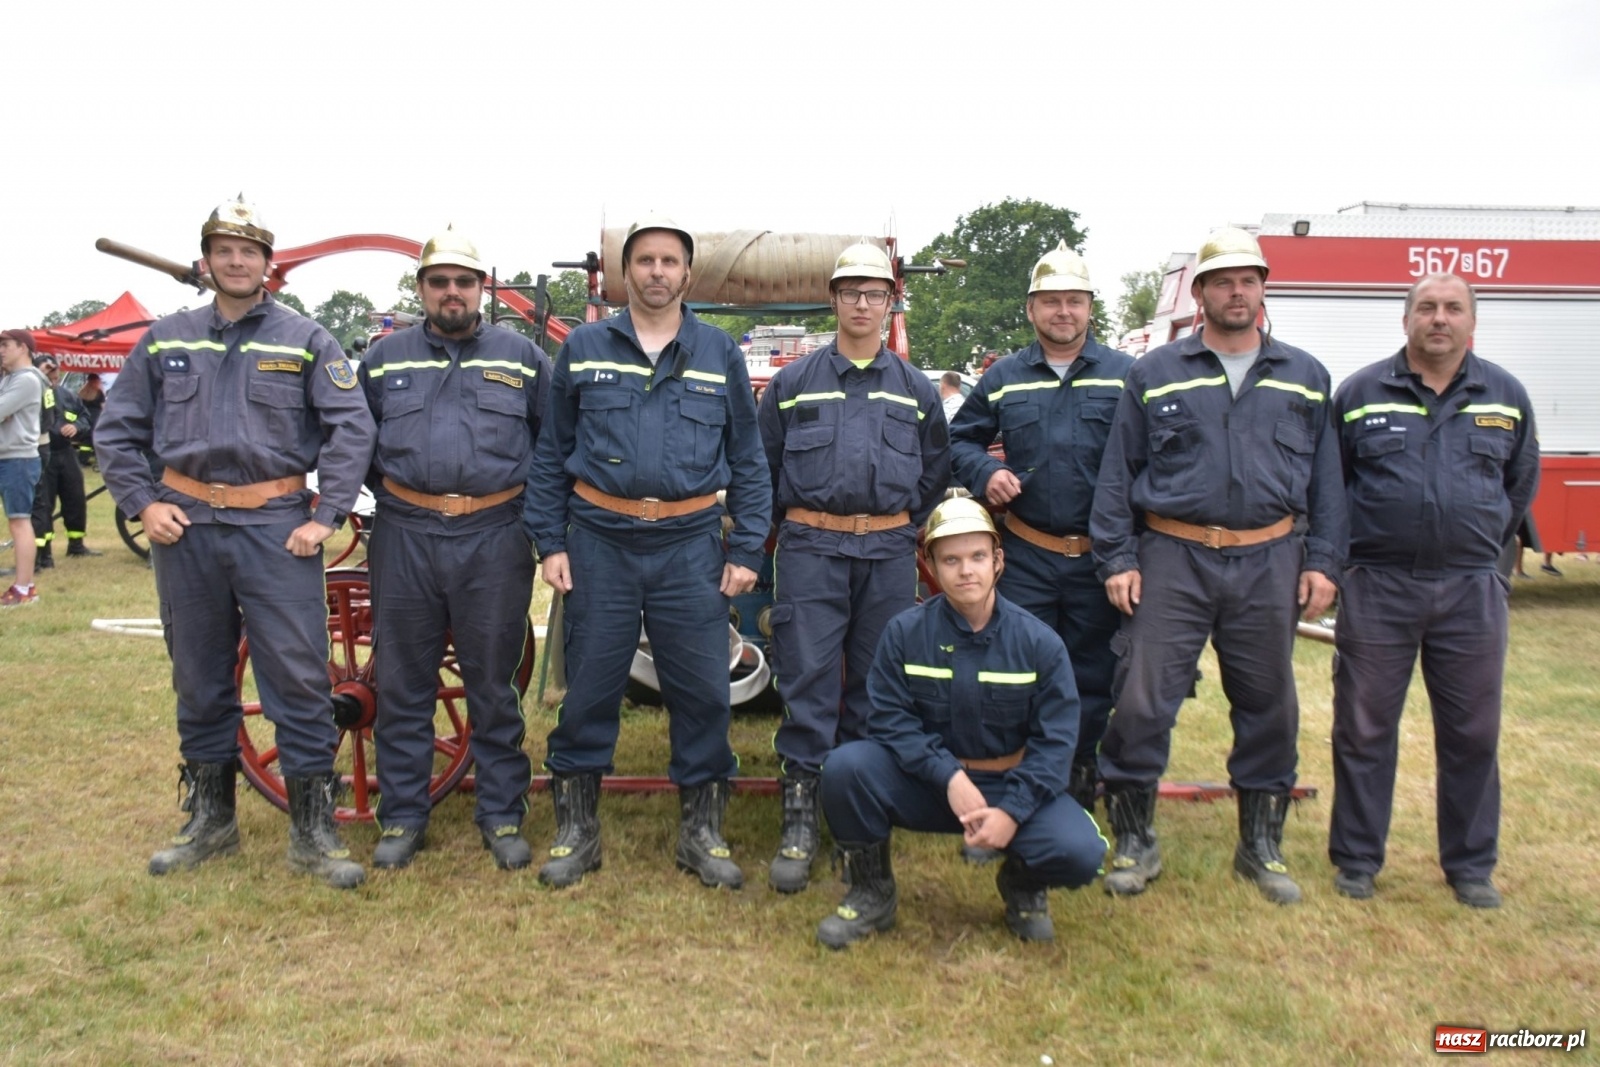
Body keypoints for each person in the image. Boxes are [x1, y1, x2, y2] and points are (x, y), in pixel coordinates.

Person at [95, 196, 377, 889]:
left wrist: (327, 512)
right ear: (206, 261)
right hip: (186, 526)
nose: (237, 261)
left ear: (267, 265)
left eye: (249, 252)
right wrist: (143, 503)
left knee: (299, 676)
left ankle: (313, 831)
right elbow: (116, 430)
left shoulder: (306, 339)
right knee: (197, 673)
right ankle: (210, 822)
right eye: (224, 250)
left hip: (274, 528)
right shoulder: (165, 339)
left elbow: (352, 427)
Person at [1090, 227, 1346, 904]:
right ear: (1199, 294)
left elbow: (1329, 482)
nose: (1238, 292)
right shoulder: (1155, 373)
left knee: (1269, 703)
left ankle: (1259, 846)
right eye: (1223, 281)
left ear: (1264, 289)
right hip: (1172, 555)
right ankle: (1135, 840)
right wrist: (1117, 557)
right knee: (1144, 699)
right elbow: (1118, 474)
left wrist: (1323, 561)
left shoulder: (1306, 376)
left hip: (1270, 557)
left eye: (1249, 280)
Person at [527, 215, 771, 890]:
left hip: (689, 545)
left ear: (687, 275)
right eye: (645, 261)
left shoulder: (719, 353)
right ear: (624, 273)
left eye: (669, 261)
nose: (657, 272)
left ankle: (703, 831)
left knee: (702, 691)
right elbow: (551, 453)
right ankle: (578, 831)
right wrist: (550, 541)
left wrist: (746, 546)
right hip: (599, 540)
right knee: (591, 687)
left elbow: (748, 458)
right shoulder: (583, 346)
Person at [1328, 273, 1538, 909]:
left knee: (1472, 732)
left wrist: (1481, 555)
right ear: (1406, 320)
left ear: (1472, 323)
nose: (1439, 319)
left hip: (1471, 590)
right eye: (1426, 308)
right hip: (1378, 587)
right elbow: (1332, 490)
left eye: (1452, 309)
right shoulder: (1361, 393)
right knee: (1363, 729)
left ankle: (1471, 867)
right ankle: (1358, 861)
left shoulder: (1505, 395)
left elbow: (1519, 484)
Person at [813, 497, 1106, 948]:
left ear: (998, 561)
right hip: (930, 784)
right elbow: (890, 720)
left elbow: (1056, 745)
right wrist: (947, 776)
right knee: (845, 769)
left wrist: (1013, 812)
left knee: (1082, 850)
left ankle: (1023, 885)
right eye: (950, 559)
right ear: (928, 563)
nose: (966, 570)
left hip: (1011, 784)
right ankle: (872, 891)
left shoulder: (1040, 644)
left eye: (977, 557)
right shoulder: (904, 634)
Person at [757, 242, 949, 893]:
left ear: (889, 302)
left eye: (875, 293)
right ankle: (801, 818)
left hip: (889, 552)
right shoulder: (791, 385)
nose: (862, 303)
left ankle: (856, 818)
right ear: (834, 300)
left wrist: (895, 524)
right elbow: (765, 467)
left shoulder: (916, 389)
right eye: (851, 292)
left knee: (876, 686)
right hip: (811, 547)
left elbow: (934, 473)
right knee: (807, 680)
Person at [359, 228, 551, 871]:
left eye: (464, 282)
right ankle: (404, 816)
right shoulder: (383, 359)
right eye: (438, 282)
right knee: (404, 681)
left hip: (494, 536)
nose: (451, 293)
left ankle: (500, 812)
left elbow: (550, 443)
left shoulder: (522, 356)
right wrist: (403, 499)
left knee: (492, 684)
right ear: (421, 289)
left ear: (481, 290)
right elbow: (358, 444)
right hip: (405, 534)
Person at [950, 240, 1133, 818]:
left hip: (1102, 558)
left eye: (1074, 301)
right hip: (1028, 554)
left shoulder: (1129, 377)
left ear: (1089, 308)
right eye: (1051, 301)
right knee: (1011, 667)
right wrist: (987, 471)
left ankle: (1077, 784)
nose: (1063, 312)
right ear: (1031, 309)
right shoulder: (1003, 377)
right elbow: (959, 440)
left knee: (1092, 676)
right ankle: (1009, 781)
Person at [31, 354, 101, 563]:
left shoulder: (68, 395)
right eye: (48, 371)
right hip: (43, 455)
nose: (53, 376)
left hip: (66, 453)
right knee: (44, 504)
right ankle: (44, 554)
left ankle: (76, 545)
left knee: (75, 499)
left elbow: (84, 417)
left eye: (55, 372)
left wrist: (77, 427)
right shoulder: (32, 395)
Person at [0, 329, 47, 605]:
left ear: (23, 348)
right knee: (17, 521)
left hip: (18, 458)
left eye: (6, 345)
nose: (1, 350)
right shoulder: (10, 379)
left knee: (19, 521)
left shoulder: (28, 379)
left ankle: (24, 588)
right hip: (8, 456)